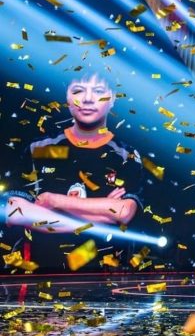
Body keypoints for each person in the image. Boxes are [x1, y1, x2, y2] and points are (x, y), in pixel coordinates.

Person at [2, 72, 143, 268]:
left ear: (112, 98)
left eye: (98, 91)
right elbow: (15, 212)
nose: (87, 99)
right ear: (67, 98)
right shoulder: (40, 148)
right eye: (78, 91)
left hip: (105, 277)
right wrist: (98, 217)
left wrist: (54, 201)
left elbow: (123, 211)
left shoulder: (125, 155)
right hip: (41, 273)